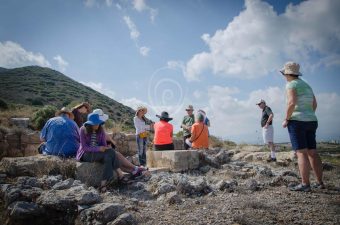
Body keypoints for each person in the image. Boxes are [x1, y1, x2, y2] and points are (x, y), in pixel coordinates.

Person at [76, 112, 148, 192]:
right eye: (95, 124)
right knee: (111, 154)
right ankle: (121, 176)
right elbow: (84, 147)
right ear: (89, 124)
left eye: (98, 124)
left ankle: (103, 184)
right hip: (86, 154)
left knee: (110, 154)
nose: (97, 125)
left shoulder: (101, 130)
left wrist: (105, 147)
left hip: (99, 153)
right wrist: (98, 149)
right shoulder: (83, 130)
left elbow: (103, 144)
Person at [280, 61, 324, 192]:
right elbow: (314, 103)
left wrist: (286, 119)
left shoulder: (290, 84)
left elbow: (292, 103)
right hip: (311, 120)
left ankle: (305, 184)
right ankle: (320, 182)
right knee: (313, 152)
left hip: (297, 121)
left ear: (287, 73)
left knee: (301, 153)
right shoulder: (306, 85)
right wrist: (308, 114)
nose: (283, 76)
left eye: (284, 73)